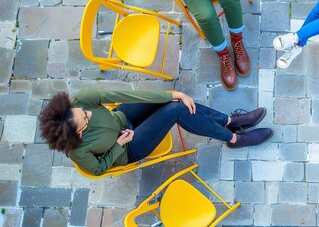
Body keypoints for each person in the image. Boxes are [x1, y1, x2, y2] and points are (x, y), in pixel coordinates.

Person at [39, 89, 273, 176]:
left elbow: (127, 96)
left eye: (82, 111)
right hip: (129, 147)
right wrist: (118, 145)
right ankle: (233, 137)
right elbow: (99, 169)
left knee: (176, 102)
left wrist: (173, 93)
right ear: (77, 134)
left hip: (124, 117)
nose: (88, 113)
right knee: (176, 111)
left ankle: (229, 120)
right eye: (85, 119)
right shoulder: (77, 151)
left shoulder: (82, 100)